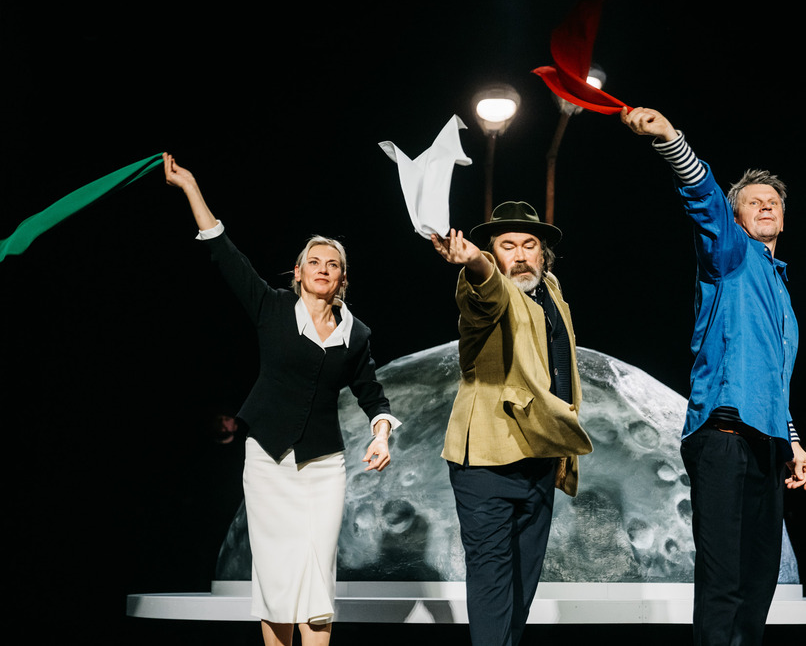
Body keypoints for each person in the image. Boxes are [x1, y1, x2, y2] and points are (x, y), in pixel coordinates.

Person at [163, 153, 402, 646]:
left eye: (332, 265)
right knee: (276, 573)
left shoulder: (356, 334)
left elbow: (373, 395)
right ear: (298, 272)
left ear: (342, 279)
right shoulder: (272, 307)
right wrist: (190, 187)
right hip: (269, 459)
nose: (323, 269)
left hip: (323, 465)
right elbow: (224, 251)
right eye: (314, 261)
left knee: (316, 569)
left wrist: (381, 435)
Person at [620, 108, 806, 646]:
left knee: (758, 584)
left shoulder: (782, 294)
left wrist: (794, 442)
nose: (766, 204)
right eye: (753, 201)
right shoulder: (730, 256)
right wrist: (670, 140)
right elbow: (703, 197)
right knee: (724, 583)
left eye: (773, 201)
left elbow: (773, 382)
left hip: (768, 447)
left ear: (784, 218)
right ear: (736, 218)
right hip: (724, 438)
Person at [430, 201, 593, 646]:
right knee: (492, 583)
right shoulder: (487, 290)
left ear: (543, 254)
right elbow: (487, 291)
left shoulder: (550, 290)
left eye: (529, 245)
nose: (520, 256)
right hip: (488, 460)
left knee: (522, 588)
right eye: (507, 246)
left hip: (539, 455)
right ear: (493, 253)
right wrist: (475, 262)